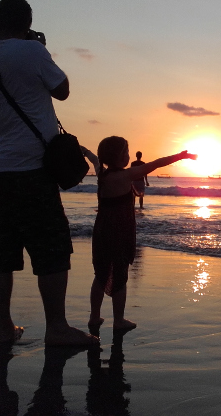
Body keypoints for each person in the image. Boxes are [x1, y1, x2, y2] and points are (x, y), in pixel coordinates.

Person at [0, 0, 96, 347]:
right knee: (52, 250)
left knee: (0, 253)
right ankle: (56, 327)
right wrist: (40, 48)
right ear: (27, 23)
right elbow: (63, 91)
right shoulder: (33, 52)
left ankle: (4, 329)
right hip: (32, 170)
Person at [81, 138, 196, 332]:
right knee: (120, 275)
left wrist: (82, 149)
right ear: (119, 156)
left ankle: (94, 317)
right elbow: (157, 163)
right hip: (119, 231)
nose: (128, 155)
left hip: (101, 230)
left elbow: (93, 157)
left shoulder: (101, 173)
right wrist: (181, 156)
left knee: (100, 275)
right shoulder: (127, 175)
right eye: (126, 152)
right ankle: (118, 320)